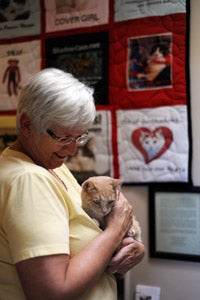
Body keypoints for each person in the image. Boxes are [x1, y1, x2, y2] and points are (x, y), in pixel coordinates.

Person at [0, 68, 145, 300]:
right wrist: (117, 230)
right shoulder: (28, 179)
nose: (73, 149)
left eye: (79, 137)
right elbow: (51, 292)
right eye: (63, 138)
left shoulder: (49, 164)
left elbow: (88, 236)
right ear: (26, 125)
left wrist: (129, 244)